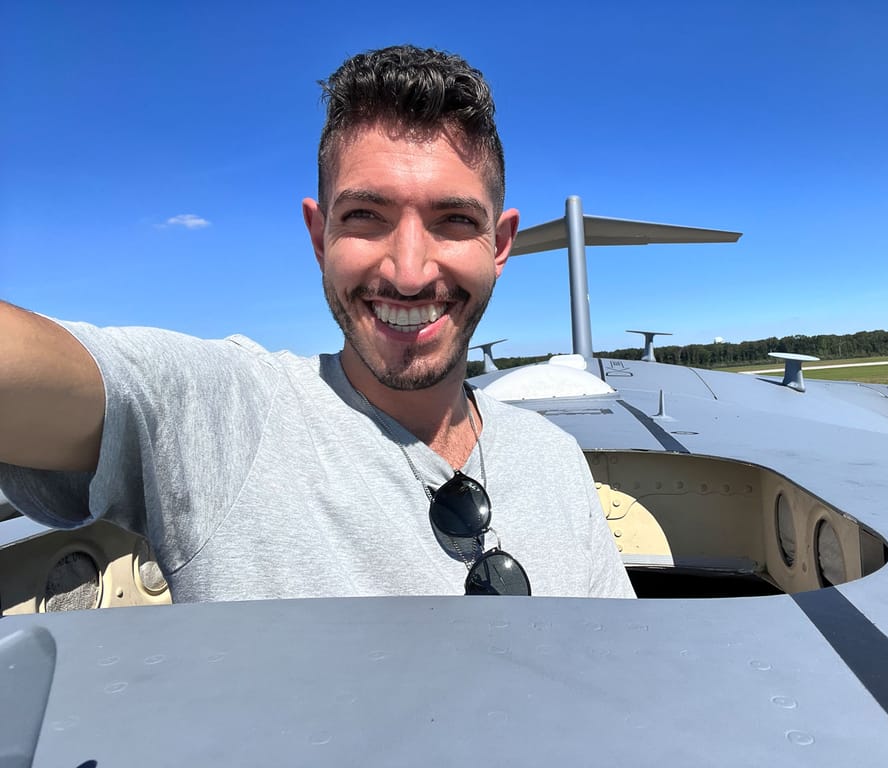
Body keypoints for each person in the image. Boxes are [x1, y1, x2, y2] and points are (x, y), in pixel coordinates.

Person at [0, 45, 635, 601]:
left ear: (499, 246)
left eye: (455, 221)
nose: (410, 273)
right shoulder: (228, 418)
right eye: (365, 215)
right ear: (317, 234)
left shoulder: (555, 460)